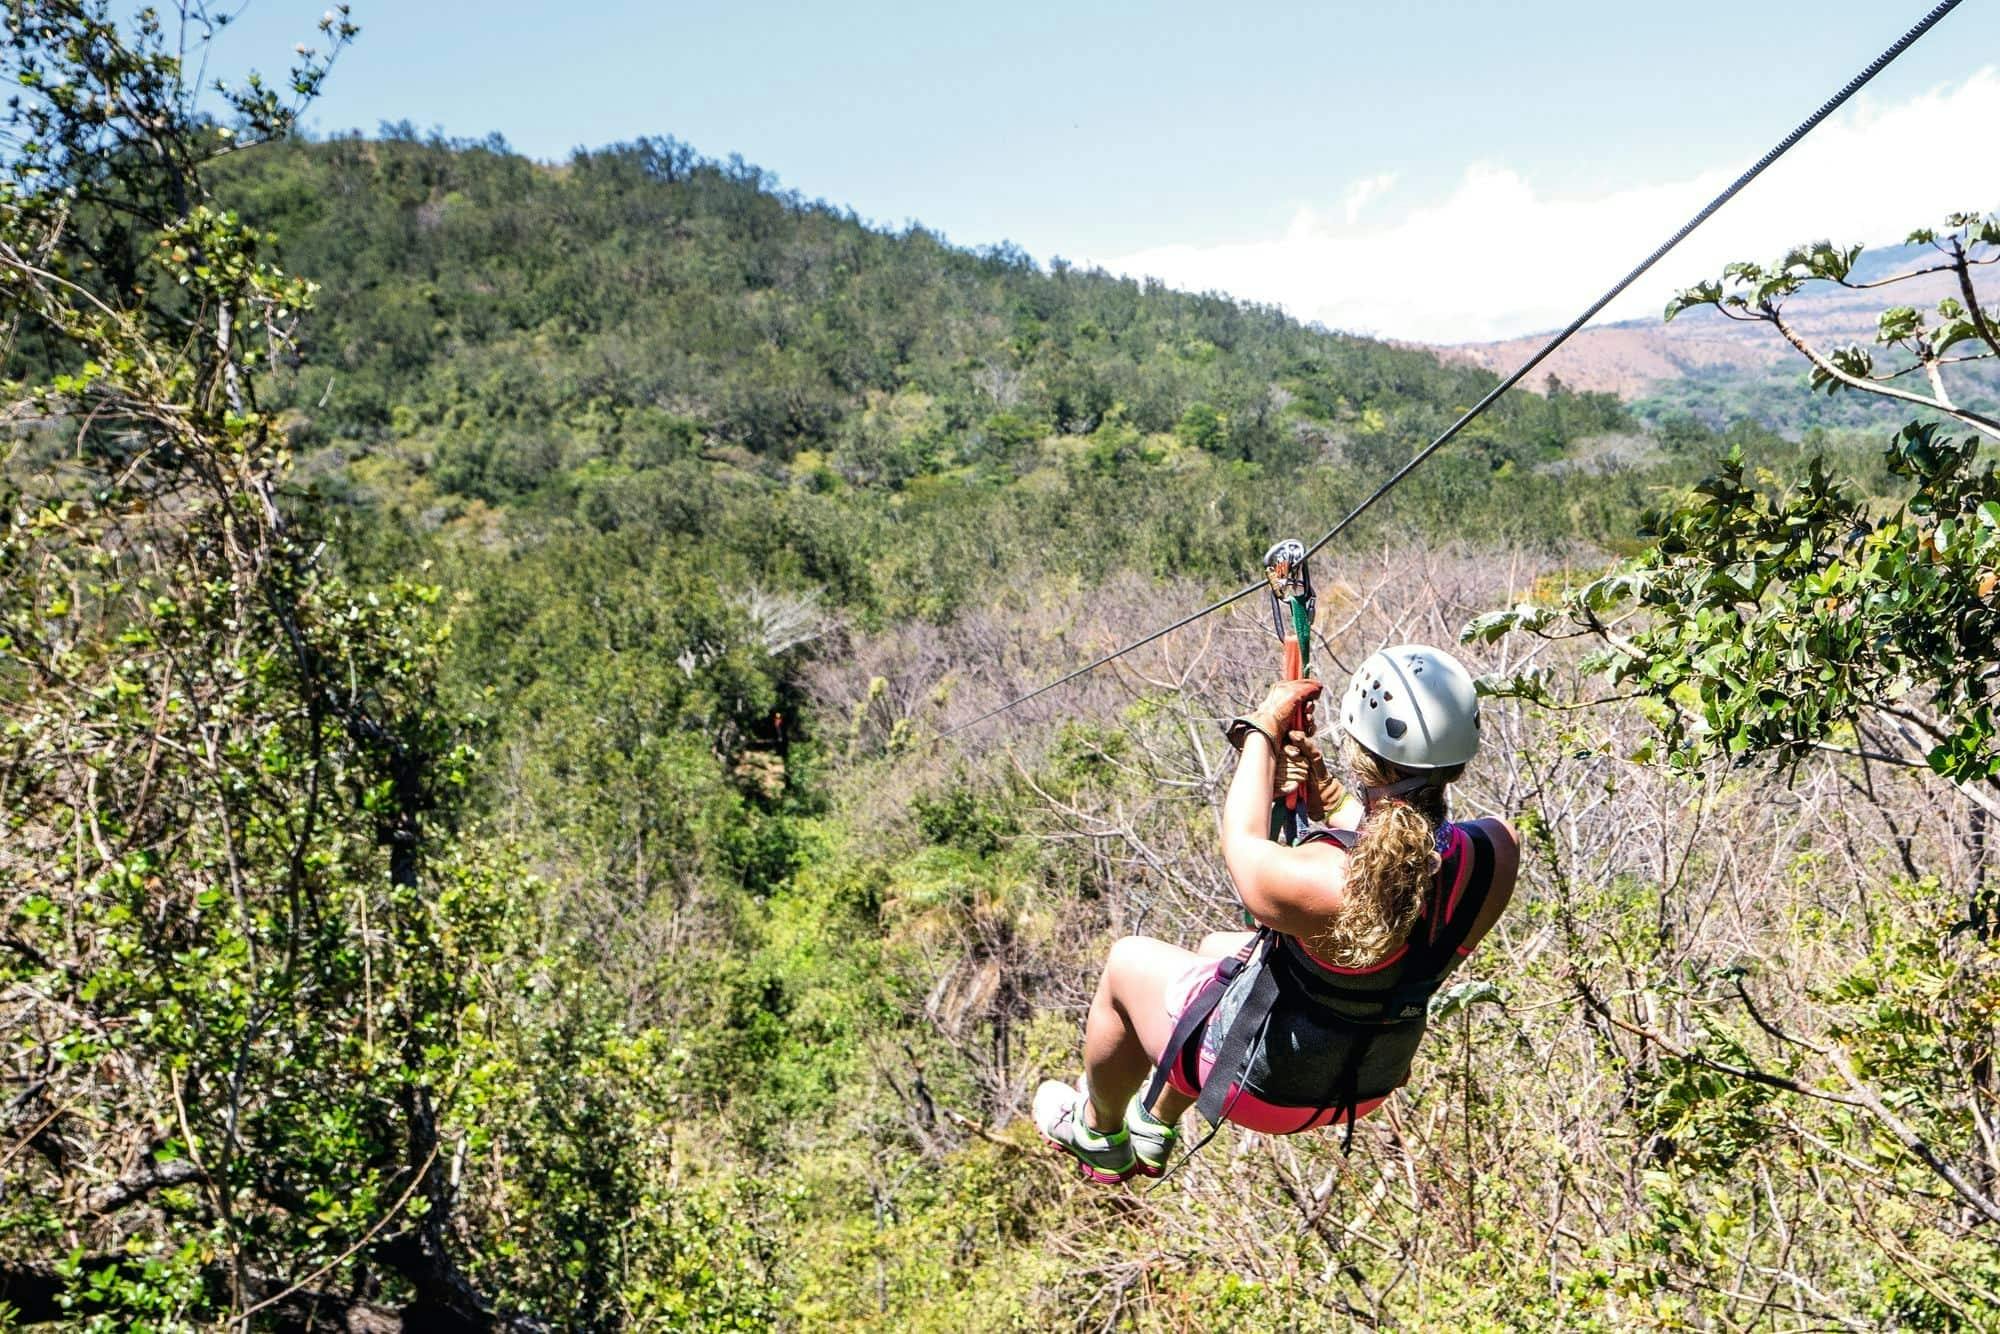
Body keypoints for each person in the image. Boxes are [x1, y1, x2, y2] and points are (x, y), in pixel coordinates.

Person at [1033, 645, 1520, 1182]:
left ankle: (1098, 1132)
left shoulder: (1322, 879)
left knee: (1127, 962)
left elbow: (1242, 843)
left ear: (1362, 747)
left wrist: (1261, 732)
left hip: (1267, 1085)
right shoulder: (1496, 851)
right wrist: (1330, 797)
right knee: (1218, 950)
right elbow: (1411, 855)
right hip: (1366, 1077)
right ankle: (1155, 1121)